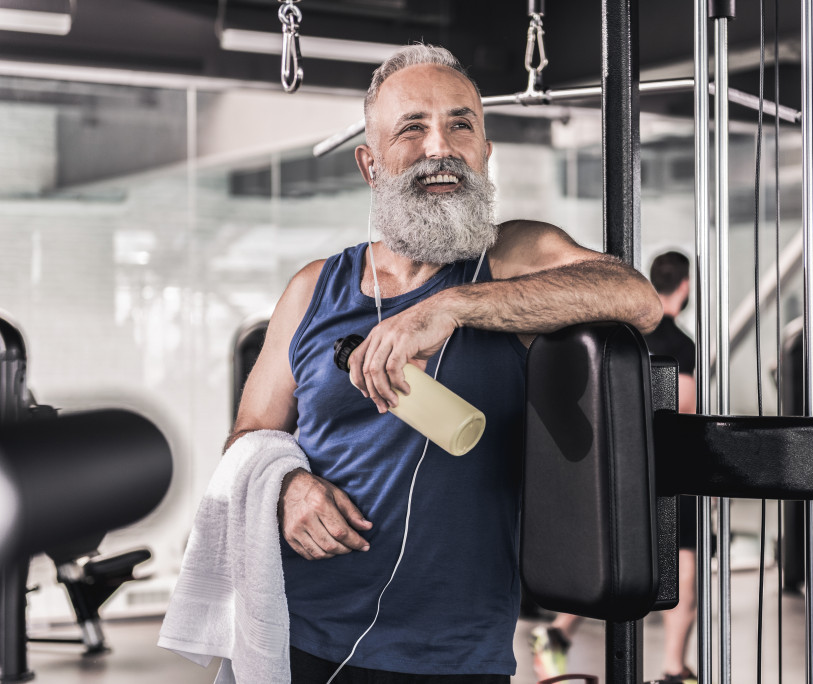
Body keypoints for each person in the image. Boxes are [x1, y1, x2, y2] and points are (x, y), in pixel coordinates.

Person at [229, 44, 662, 683]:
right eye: (413, 127)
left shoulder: (512, 256)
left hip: (450, 656)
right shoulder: (313, 288)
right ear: (369, 164)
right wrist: (287, 489)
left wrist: (455, 306)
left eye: (461, 124)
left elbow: (636, 298)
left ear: (485, 153)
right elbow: (248, 439)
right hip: (296, 633)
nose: (441, 146)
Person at [530, 250, 697, 683]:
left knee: (611, 565)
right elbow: (679, 406)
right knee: (683, 575)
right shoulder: (678, 344)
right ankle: (675, 669)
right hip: (665, 473)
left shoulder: (623, 335)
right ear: (685, 286)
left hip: (614, 471)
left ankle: (555, 634)